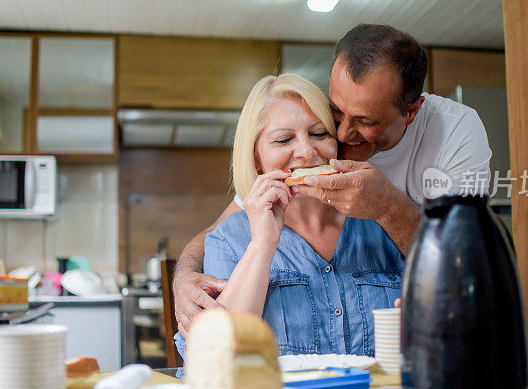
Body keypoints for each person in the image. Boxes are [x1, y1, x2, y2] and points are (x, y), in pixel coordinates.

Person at [174, 24, 491, 337]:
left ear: (411, 112)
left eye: (319, 132)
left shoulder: (454, 134)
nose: (340, 135)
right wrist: (184, 274)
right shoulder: (248, 222)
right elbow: (224, 232)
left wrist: (387, 208)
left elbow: (463, 265)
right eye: (335, 113)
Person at [174, 74, 404, 359]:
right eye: (284, 139)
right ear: (256, 158)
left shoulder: (383, 221)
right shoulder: (228, 239)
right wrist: (263, 243)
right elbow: (217, 356)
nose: (307, 152)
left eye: (320, 134)